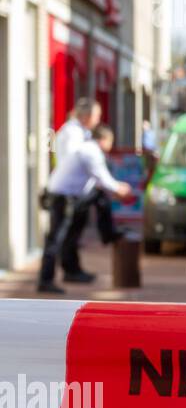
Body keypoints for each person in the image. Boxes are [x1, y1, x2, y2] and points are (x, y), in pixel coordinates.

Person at [38, 125, 132, 294]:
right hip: (61, 198)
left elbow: (98, 183)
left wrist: (114, 189)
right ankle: (45, 280)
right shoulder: (91, 151)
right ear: (104, 140)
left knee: (74, 231)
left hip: (70, 196)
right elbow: (102, 177)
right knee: (55, 239)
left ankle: (72, 270)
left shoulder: (87, 148)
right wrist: (118, 189)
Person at [56, 98, 124, 250]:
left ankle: (72, 268)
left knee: (72, 230)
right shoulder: (73, 133)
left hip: (73, 190)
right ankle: (107, 234)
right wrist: (115, 187)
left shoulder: (80, 132)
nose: (98, 120)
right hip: (67, 191)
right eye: (97, 116)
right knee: (61, 235)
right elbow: (84, 164)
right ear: (87, 116)